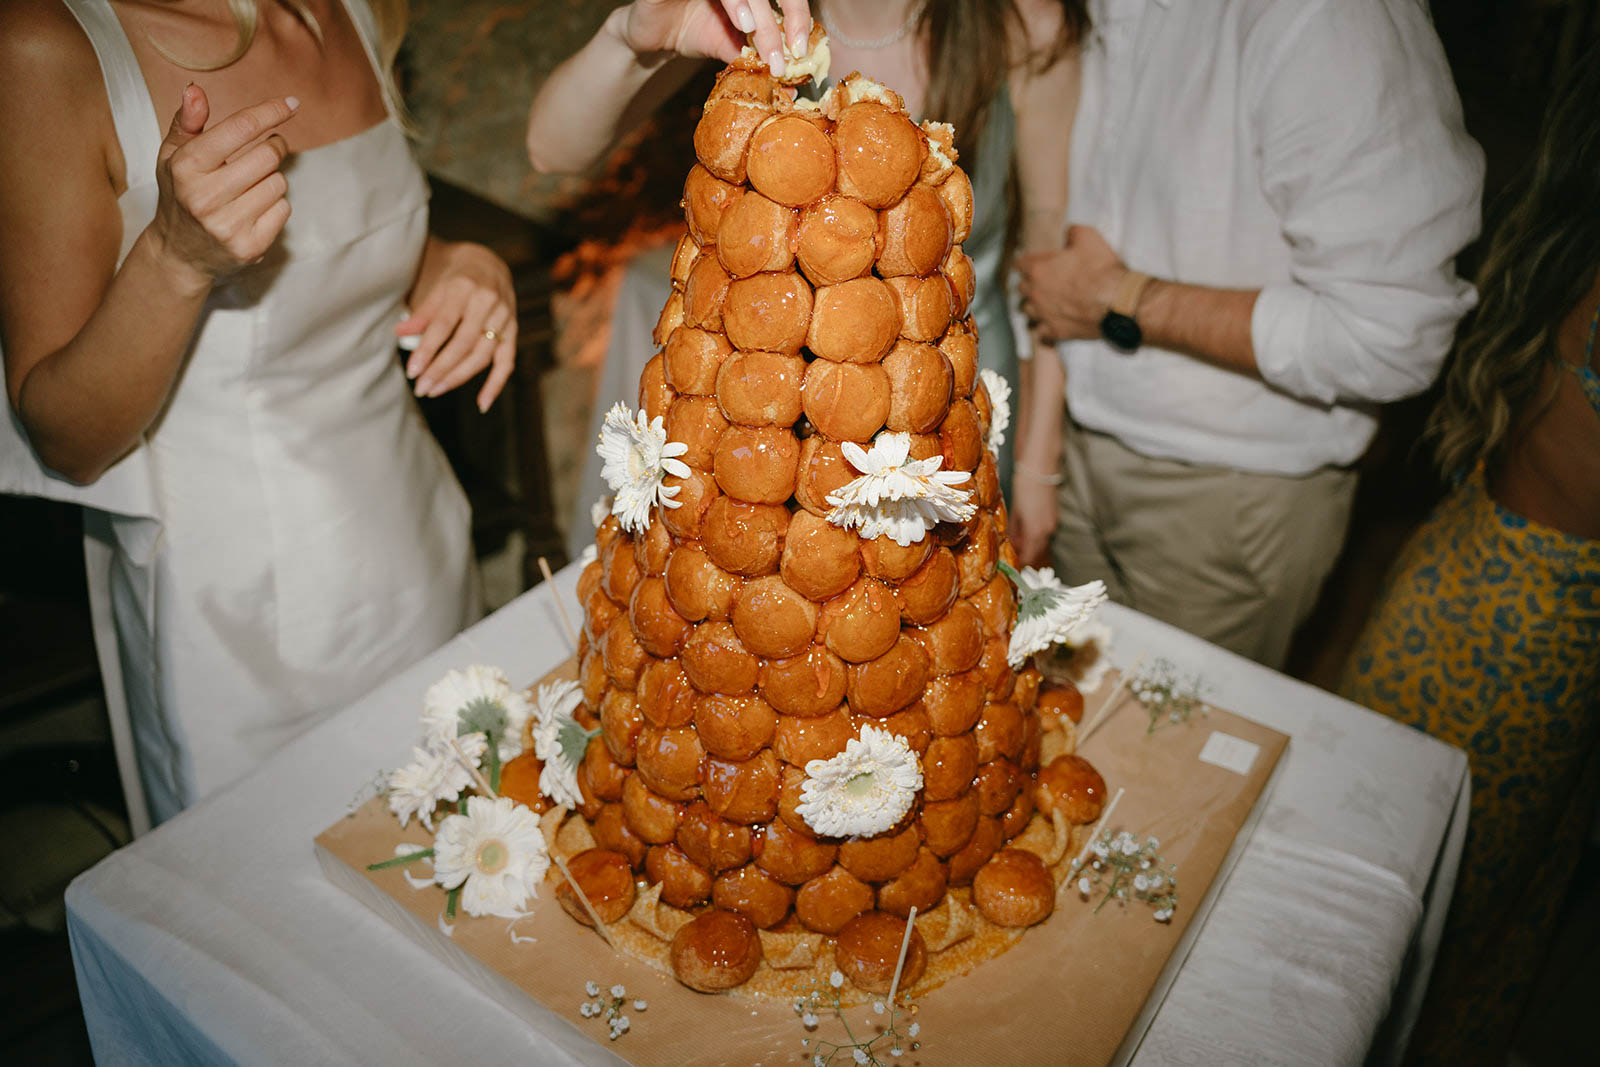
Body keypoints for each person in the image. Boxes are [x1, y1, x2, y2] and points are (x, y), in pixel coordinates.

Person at [0, 0, 517, 831]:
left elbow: (345, 250)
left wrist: (455, 262)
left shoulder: (358, 10)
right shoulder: (43, 46)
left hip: (419, 543)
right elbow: (66, 440)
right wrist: (174, 257)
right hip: (236, 629)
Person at [1011, 0, 1484, 670]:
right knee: (1070, 718)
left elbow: (1391, 333)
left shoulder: (1325, 19)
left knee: (1169, 755)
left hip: (1227, 497)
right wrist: (1043, 454)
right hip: (1081, 452)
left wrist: (1120, 297)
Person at [528, 0, 1084, 552]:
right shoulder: (749, 18)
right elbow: (553, 149)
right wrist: (628, 34)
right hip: (760, 419)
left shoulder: (1021, 19)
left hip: (939, 401)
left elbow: (1049, 260)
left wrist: (1039, 465)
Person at [1338, 45, 1600, 1062]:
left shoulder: (1574, 218)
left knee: (1437, 879)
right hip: (1512, 626)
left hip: (1482, 569)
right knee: (1414, 893)